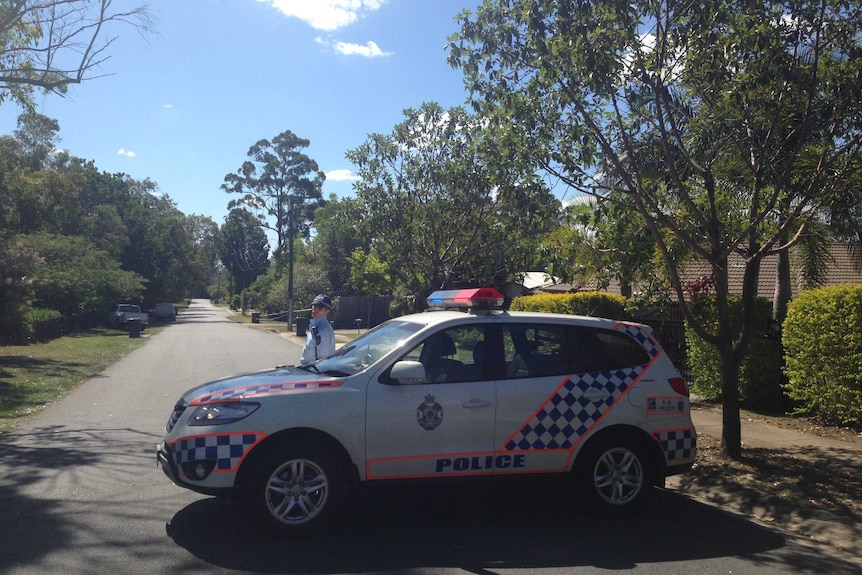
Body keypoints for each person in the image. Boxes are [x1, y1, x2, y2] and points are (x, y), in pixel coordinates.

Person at [300, 294, 336, 365]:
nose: (315, 310)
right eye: (314, 306)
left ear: (327, 311)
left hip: (315, 373)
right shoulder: (315, 327)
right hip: (308, 370)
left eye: (319, 308)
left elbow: (322, 360)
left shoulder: (323, 331)